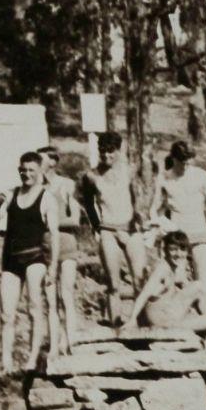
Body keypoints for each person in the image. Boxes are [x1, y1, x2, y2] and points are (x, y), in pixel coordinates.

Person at [0, 151, 58, 372]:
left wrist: (53, 266)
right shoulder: (11, 194)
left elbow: (54, 234)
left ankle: (32, 358)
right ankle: (6, 362)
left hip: (35, 257)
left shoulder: (46, 197)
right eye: (23, 170)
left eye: (31, 171)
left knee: (34, 308)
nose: (26, 174)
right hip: (11, 259)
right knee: (6, 313)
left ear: (39, 172)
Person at [78, 132, 148, 328]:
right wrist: (96, 228)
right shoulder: (91, 176)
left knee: (139, 281)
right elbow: (89, 205)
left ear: (119, 150)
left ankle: (142, 323)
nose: (106, 155)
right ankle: (116, 326)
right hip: (108, 229)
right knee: (113, 284)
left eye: (111, 151)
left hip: (130, 228)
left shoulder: (130, 170)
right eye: (102, 151)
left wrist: (138, 219)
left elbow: (137, 199)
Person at [150, 140, 206, 317]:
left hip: (200, 235)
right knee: (177, 284)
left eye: (189, 161)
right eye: (182, 161)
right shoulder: (164, 178)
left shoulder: (201, 176)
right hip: (177, 239)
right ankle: (183, 326)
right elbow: (155, 208)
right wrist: (159, 225)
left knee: (204, 286)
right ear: (174, 159)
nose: (186, 165)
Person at [124, 230, 206, 335]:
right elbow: (144, 295)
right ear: (166, 250)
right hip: (163, 322)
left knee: (198, 286)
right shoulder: (161, 270)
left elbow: (185, 290)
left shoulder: (172, 267)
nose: (178, 254)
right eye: (173, 250)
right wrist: (132, 320)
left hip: (168, 311)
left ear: (187, 251)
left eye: (182, 250)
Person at [39, 146, 82, 355]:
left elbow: (75, 219)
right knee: (50, 299)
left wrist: (51, 222)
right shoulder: (36, 187)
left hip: (66, 244)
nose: (38, 165)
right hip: (45, 246)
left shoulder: (66, 185)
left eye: (42, 161)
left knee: (66, 294)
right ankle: (54, 345)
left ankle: (70, 341)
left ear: (53, 162)